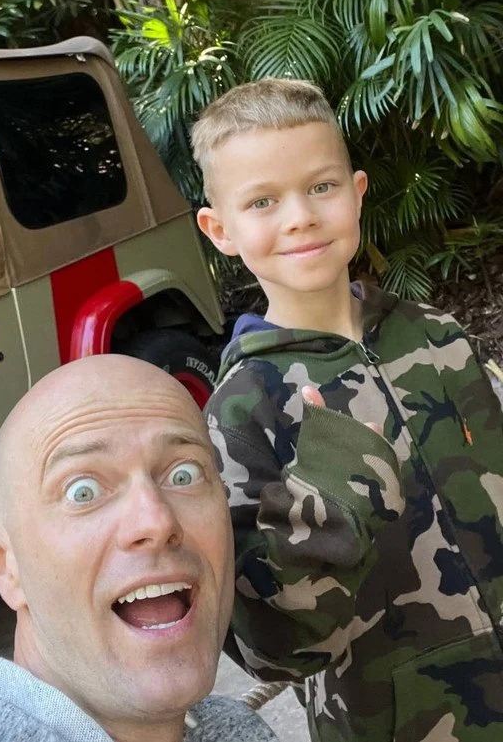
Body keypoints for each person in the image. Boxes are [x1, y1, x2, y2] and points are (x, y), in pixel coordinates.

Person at [192, 77, 503, 742]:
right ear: (220, 230)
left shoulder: (436, 336)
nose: (299, 216)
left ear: (358, 192)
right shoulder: (241, 411)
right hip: (398, 723)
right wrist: (328, 503)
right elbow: (273, 648)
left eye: (322, 186)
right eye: (263, 201)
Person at [0, 355, 279, 742]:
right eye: (83, 491)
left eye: (184, 474)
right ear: (4, 564)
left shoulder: (237, 729)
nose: (157, 522)